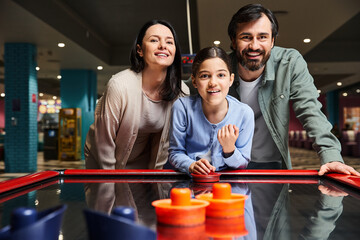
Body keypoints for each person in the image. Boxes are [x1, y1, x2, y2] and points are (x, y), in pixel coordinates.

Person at [225, 3, 360, 176]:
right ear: (233, 41)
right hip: (228, 165)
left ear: (272, 41)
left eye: (263, 37)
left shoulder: (289, 63)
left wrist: (331, 156)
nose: (254, 46)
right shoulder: (221, 68)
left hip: (273, 165)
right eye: (246, 37)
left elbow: (310, 110)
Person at [84, 20, 189, 170]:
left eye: (169, 42)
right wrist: (111, 179)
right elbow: (104, 142)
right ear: (140, 50)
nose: (163, 46)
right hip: (103, 161)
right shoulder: (119, 85)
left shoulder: (181, 91)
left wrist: (156, 179)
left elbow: (167, 145)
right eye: (154, 40)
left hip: (142, 163)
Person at [168, 47, 254, 175]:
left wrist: (229, 149)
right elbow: (175, 153)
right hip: (190, 185)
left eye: (221, 75)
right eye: (205, 76)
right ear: (194, 81)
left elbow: (242, 164)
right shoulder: (182, 108)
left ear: (230, 79)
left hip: (229, 188)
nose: (213, 83)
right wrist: (190, 165)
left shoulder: (244, 113)